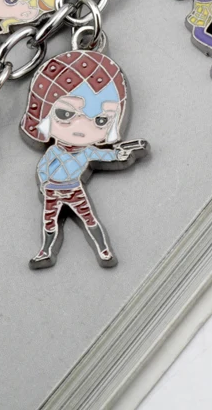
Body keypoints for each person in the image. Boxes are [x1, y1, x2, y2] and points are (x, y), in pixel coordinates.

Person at [21, 50, 148, 268]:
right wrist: (43, 184)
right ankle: (46, 251)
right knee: (49, 223)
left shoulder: (88, 151)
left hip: (74, 189)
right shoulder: (53, 152)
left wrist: (123, 153)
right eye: (65, 114)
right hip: (52, 190)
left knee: (89, 220)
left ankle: (104, 250)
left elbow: (108, 154)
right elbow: (42, 168)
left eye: (100, 120)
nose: (81, 125)